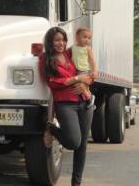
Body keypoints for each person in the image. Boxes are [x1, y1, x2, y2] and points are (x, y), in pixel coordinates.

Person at [38, 27, 95, 186]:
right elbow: (52, 83)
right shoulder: (45, 59)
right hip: (65, 104)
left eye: (63, 40)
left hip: (85, 101)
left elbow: (88, 73)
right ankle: (51, 128)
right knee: (73, 142)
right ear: (50, 42)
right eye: (57, 40)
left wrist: (85, 84)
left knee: (82, 146)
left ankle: (76, 183)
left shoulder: (70, 54)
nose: (61, 43)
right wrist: (76, 78)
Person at [70, 27, 98, 98]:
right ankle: (82, 98)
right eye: (85, 37)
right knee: (76, 85)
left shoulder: (87, 49)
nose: (87, 40)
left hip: (84, 70)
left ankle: (89, 97)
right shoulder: (72, 47)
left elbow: (92, 61)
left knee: (83, 85)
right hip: (74, 70)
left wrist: (94, 71)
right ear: (77, 37)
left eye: (89, 38)